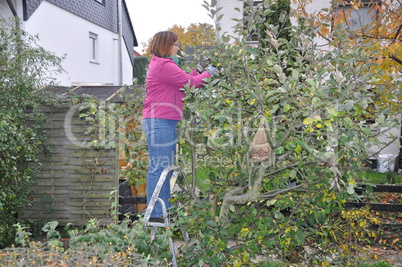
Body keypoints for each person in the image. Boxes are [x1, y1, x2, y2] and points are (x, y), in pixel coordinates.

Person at [142, 31, 215, 222]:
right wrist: (210, 74)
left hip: (162, 121)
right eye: (175, 44)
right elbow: (191, 83)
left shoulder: (163, 65)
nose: (178, 47)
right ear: (166, 46)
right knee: (159, 167)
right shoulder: (164, 65)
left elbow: (182, 82)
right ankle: (157, 214)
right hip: (160, 121)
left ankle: (163, 208)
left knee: (165, 167)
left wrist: (198, 71)